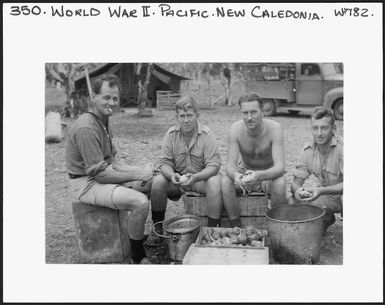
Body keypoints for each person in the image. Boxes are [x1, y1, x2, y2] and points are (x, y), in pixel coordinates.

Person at [65, 74, 155, 264]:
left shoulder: (103, 120)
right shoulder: (86, 127)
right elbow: (102, 175)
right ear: (93, 96)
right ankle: (137, 256)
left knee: (150, 184)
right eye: (106, 97)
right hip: (86, 183)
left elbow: (114, 161)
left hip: (99, 176)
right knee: (139, 202)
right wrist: (138, 174)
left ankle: (137, 235)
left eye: (115, 98)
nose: (112, 102)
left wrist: (145, 170)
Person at [146, 96, 222, 246]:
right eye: (182, 116)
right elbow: (165, 163)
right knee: (158, 182)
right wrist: (171, 174)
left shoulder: (207, 135)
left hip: (199, 180)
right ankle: (158, 227)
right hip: (177, 180)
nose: (186, 120)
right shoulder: (171, 135)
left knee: (214, 182)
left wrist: (196, 177)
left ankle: (213, 229)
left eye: (190, 116)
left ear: (197, 116)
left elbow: (214, 166)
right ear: (177, 117)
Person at [221, 93, 287, 227]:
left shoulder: (275, 128)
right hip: (246, 174)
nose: (249, 117)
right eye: (245, 113)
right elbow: (229, 166)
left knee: (280, 184)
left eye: (254, 112)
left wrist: (258, 176)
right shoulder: (236, 129)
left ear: (262, 111)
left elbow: (280, 168)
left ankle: (276, 227)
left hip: (267, 175)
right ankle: (236, 225)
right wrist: (237, 176)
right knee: (225, 181)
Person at [289, 106, 343, 234]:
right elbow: (295, 184)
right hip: (328, 196)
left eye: (324, 128)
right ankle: (326, 218)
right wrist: (299, 191)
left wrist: (321, 190)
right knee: (292, 200)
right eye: (315, 128)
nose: (319, 133)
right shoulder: (308, 151)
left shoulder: (343, 148)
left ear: (333, 129)